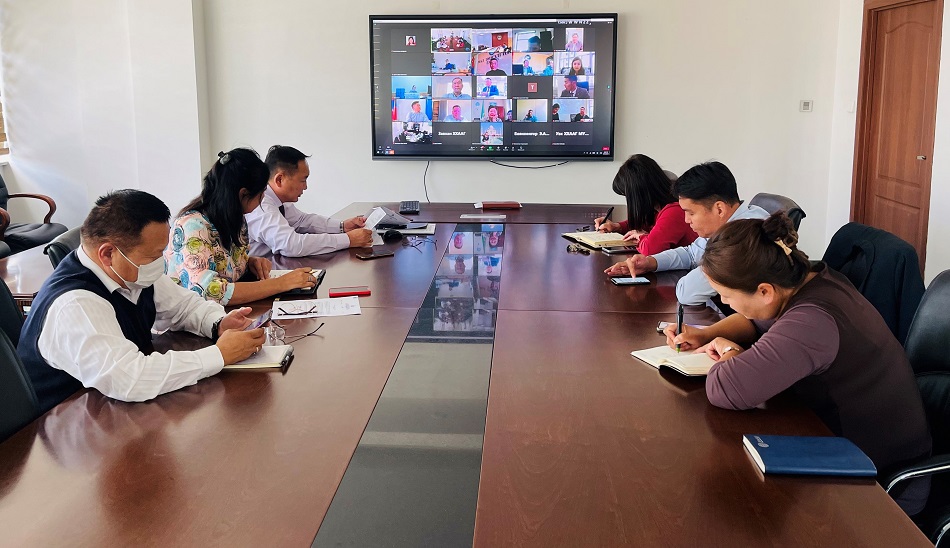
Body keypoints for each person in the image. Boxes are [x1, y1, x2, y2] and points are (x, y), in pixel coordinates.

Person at [665, 213, 932, 514]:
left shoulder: (811, 321)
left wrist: (729, 351)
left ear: (764, 291)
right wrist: (706, 334)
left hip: (879, 483)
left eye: (726, 296)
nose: (725, 304)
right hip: (838, 443)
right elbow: (757, 321)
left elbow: (725, 387)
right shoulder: (810, 278)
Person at [18, 189, 267, 414]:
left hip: (110, 409)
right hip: (62, 422)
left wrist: (218, 323)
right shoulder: (75, 304)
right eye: (154, 255)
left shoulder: (131, 271)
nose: (161, 263)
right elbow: (129, 378)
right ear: (108, 253)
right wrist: (219, 355)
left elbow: (183, 307)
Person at [604, 161, 769, 307]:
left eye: (691, 213)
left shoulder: (743, 237)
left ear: (719, 209)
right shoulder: (733, 221)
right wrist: (649, 263)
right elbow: (691, 254)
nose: (686, 220)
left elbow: (687, 293)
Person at [166, 148, 315, 305]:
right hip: (188, 317)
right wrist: (280, 284)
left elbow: (223, 264)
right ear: (243, 194)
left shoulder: (236, 219)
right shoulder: (193, 226)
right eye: (261, 193)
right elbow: (210, 292)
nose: (263, 198)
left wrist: (249, 263)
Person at [245, 145, 373, 258]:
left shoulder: (279, 200)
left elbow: (302, 221)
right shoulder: (261, 205)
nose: (305, 187)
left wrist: (342, 226)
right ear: (279, 180)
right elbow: (291, 245)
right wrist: (348, 240)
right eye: (303, 180)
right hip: (262, 273)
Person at [594, 154, 697, 255]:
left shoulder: (674, 211)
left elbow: (649, 249)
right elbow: (646, 223)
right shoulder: (658, 209)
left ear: (638, 195)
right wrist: (617, 226)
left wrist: (641, 236)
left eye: (627, 196)